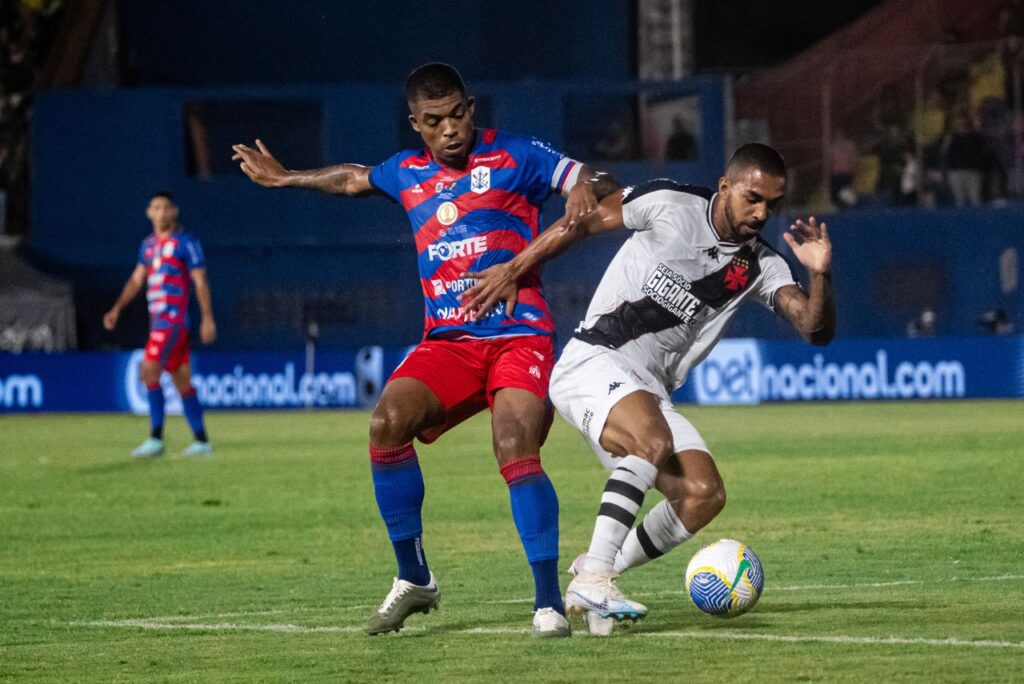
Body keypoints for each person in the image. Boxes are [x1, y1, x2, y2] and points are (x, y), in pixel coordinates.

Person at [230, 63, 617, 638]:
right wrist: (289, 179)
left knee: (512, 442)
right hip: (450, 342)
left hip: (518, 334)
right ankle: (414, 580)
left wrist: (586, 180)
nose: (450, 129)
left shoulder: (515, 155)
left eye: (457, 114)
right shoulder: (406, 172)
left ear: (471, 108)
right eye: (434, 121)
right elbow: (354, 178)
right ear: (416, 124)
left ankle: (547, 603)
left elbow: (596, 181)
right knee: (387, 421)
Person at [462, 143, 836, 634]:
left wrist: (819, 272)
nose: (762, 213)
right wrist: (513, 269)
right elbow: (582, 222)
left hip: (648, 391)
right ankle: (594, 576)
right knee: (652, 439)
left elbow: (814, 328)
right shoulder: (669, 202)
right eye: (753, 198)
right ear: (725, 186)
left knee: (703, 494)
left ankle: (599, 573)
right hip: (592, 361)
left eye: (773, 203)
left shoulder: (760, 266)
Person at [103, 192, 217, 458]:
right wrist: (117, 308)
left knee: (148, 370)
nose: (161, 212)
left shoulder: (186, 243)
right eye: (156, 207)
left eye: (166, 207)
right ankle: (201, 441)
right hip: (158, 321)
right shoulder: (147, 246)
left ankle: (155, 439)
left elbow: (200, 281)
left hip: (173, 320)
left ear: (174, 211)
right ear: (148, 213)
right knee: (181, 379)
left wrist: (208, 317)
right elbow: (136, 280)